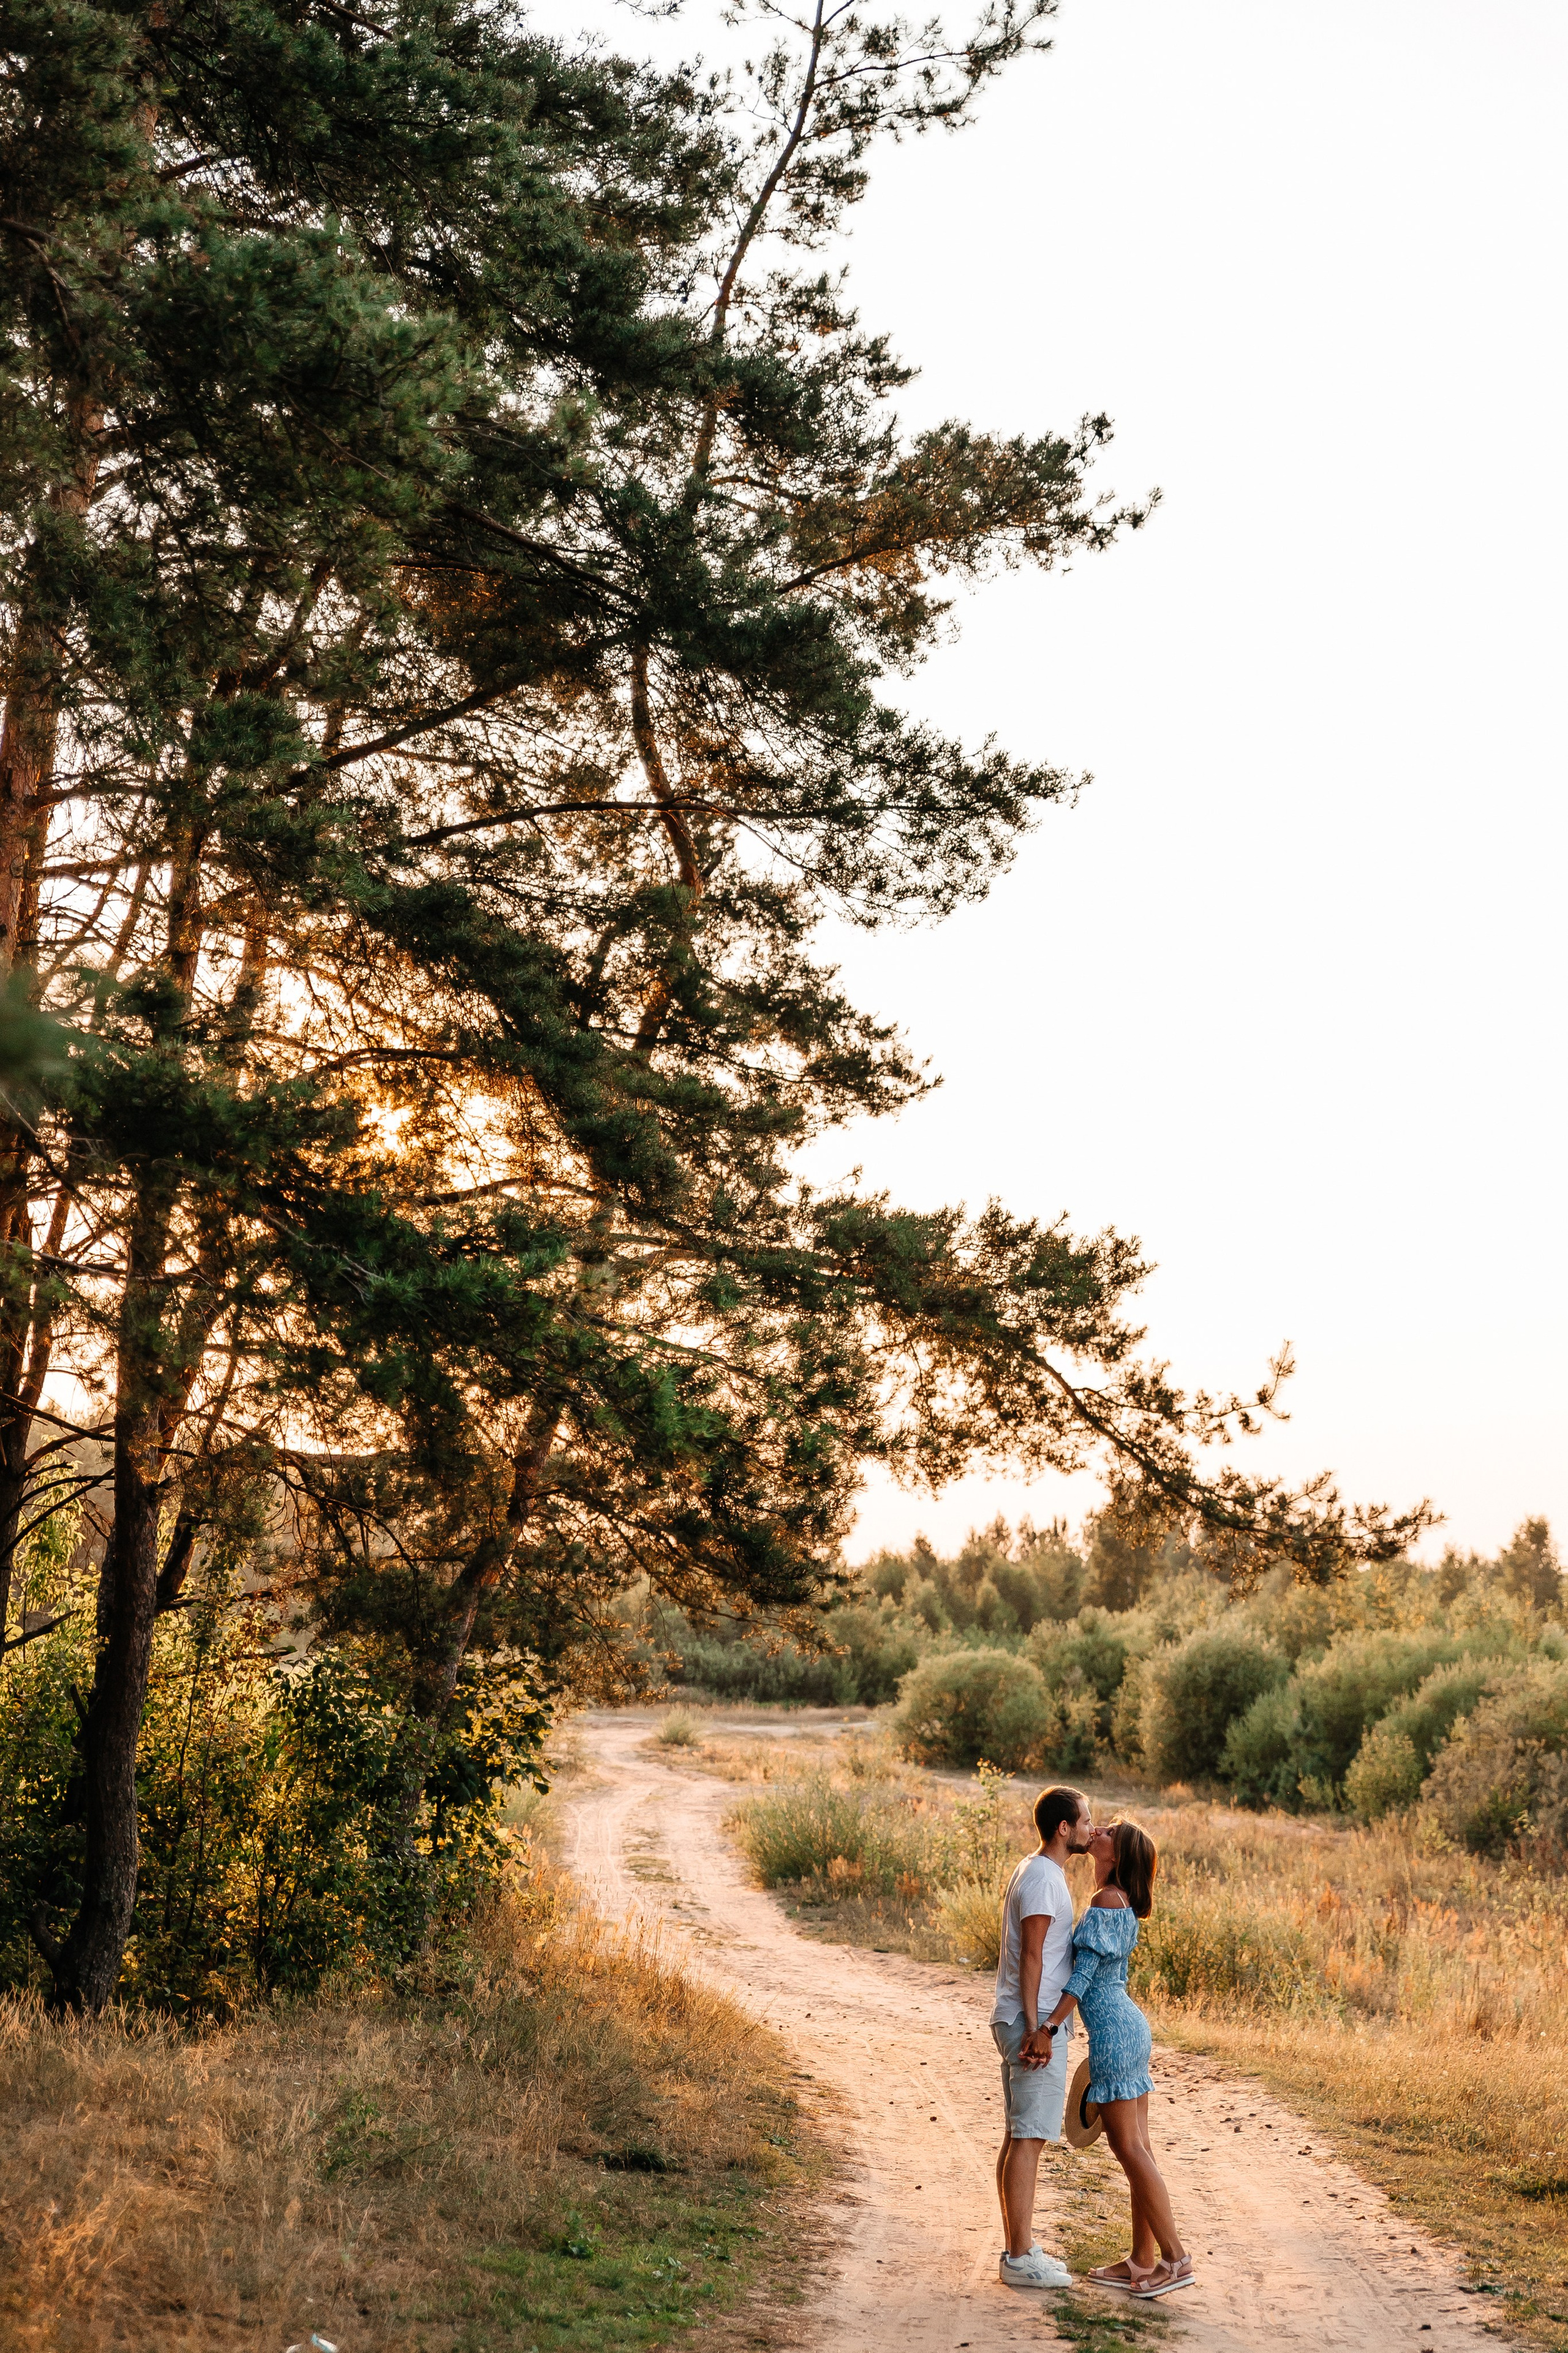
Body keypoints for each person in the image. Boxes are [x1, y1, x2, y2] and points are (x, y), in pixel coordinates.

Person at [1041, 1818, 1193, 2301]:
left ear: (1116, 1854)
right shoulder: (1120, 1900)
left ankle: (1176, 2259)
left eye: (1106, 1831)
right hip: (1129, 2027)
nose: (1098, 1830)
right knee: (1138, 2148)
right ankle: (1142, 2258)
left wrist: (1047, 2027)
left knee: (1129, 2149)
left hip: (1114, 2032)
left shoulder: (1107, 1899)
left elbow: (1083, 1977)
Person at [990, 1784, 1095, 2289]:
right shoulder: (1042, 1878)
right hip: (1028, 2025)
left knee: (1019, 2135)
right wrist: (1040, 2028)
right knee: (1030, 2137)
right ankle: (1019, 2257)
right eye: (1086, 1820)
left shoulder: (1038, 1872)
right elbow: (1032, 1955)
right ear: (1064, 1828)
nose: (1092, 1827)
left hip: (1022, 2019)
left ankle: (1020, 2248)